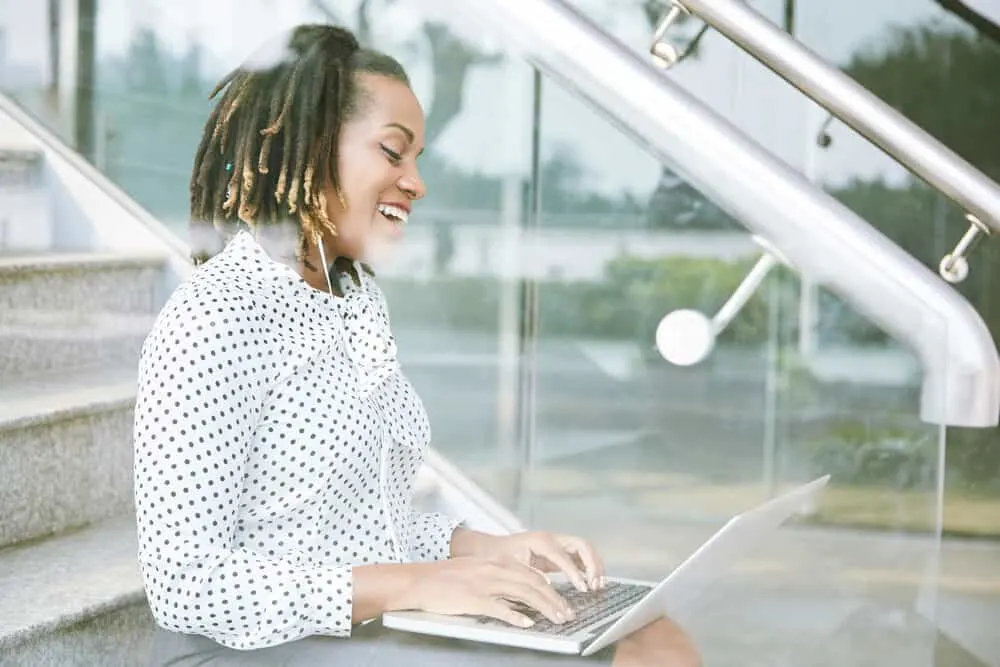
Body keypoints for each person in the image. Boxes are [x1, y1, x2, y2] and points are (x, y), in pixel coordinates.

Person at [134, 23, 700, 667]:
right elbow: (185, 585)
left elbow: (364, 526)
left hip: (365, 623)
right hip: (260, 646)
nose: (416, 182)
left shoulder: (352, 299)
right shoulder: (215, 316)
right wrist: (419, 584)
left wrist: (488, 548)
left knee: (650, 633)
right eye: (393, 152)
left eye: (417, 159)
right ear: (315, 147)